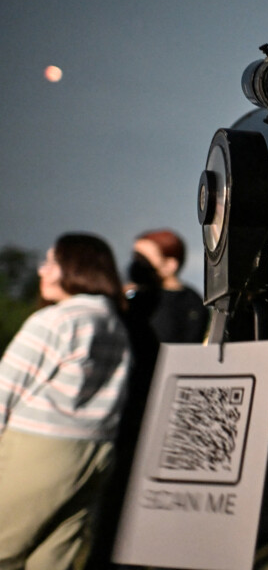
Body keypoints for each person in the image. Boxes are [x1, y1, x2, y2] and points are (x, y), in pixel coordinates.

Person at [0, 233, 133, 569]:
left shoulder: (57, 319)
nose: (41, 271)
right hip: (96, 452)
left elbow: (5, 387)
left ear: (75, 268)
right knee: (53, 558)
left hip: (38, 449)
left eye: (50, 262)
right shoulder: (114, 324)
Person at [126, 228, 208, 343]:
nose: (137, 265)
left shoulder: (189, 302)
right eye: (136, 258)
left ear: (170, 264)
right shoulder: (135, 298)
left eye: (144, 260)